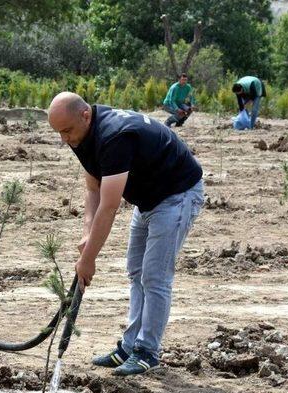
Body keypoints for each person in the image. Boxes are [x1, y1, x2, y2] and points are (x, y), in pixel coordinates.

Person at [48, 92, 204, 376]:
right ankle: (129, 346)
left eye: (66, 131)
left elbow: (109, 207)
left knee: (155, 276)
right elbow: (93, 189)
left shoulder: (114, 137)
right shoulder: (80, 134)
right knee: (136, 271)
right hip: (148, 198)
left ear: (85, 115)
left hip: (177, 195)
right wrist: (86, 236)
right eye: (59, 133)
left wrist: (89, 260)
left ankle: (147, 352)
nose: (64, 139)